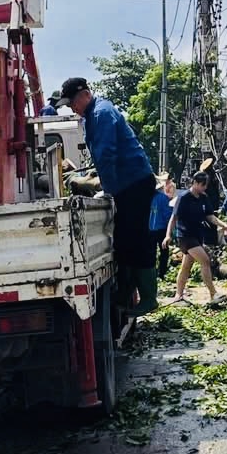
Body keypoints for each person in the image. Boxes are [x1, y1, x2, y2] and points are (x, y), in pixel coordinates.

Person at [61, 77, 158, 316]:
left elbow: (106, 154)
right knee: (124, 241)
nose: (72, 108)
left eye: (73, 102)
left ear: (84, 94)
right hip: (128, 183)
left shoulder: (100, 114)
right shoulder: (94, 115)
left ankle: (148, 298)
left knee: (135, 240)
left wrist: (105, 188)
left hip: (133, 183)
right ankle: (126, 295)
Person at [166, 172, 227, 304]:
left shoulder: (203, 198)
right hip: (185, 236)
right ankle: (213, 294)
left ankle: (178, 295)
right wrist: (168, 235)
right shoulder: (184, 197)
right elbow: (173, 218)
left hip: (197, 235)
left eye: (205, 185)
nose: (204, 188)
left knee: (186, 266)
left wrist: (224, 225)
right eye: (202, 185)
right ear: (195, 183)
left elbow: (210, 217)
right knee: (205, 261)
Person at [149, 174, 177, 278]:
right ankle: (162, 273)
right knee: (164, 253)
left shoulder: (144, 199)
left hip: (149, 230)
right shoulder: (163, 198)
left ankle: (151, 273)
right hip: (162, 230)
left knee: (151, 253)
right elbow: (168, 216)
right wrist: (171, 233)